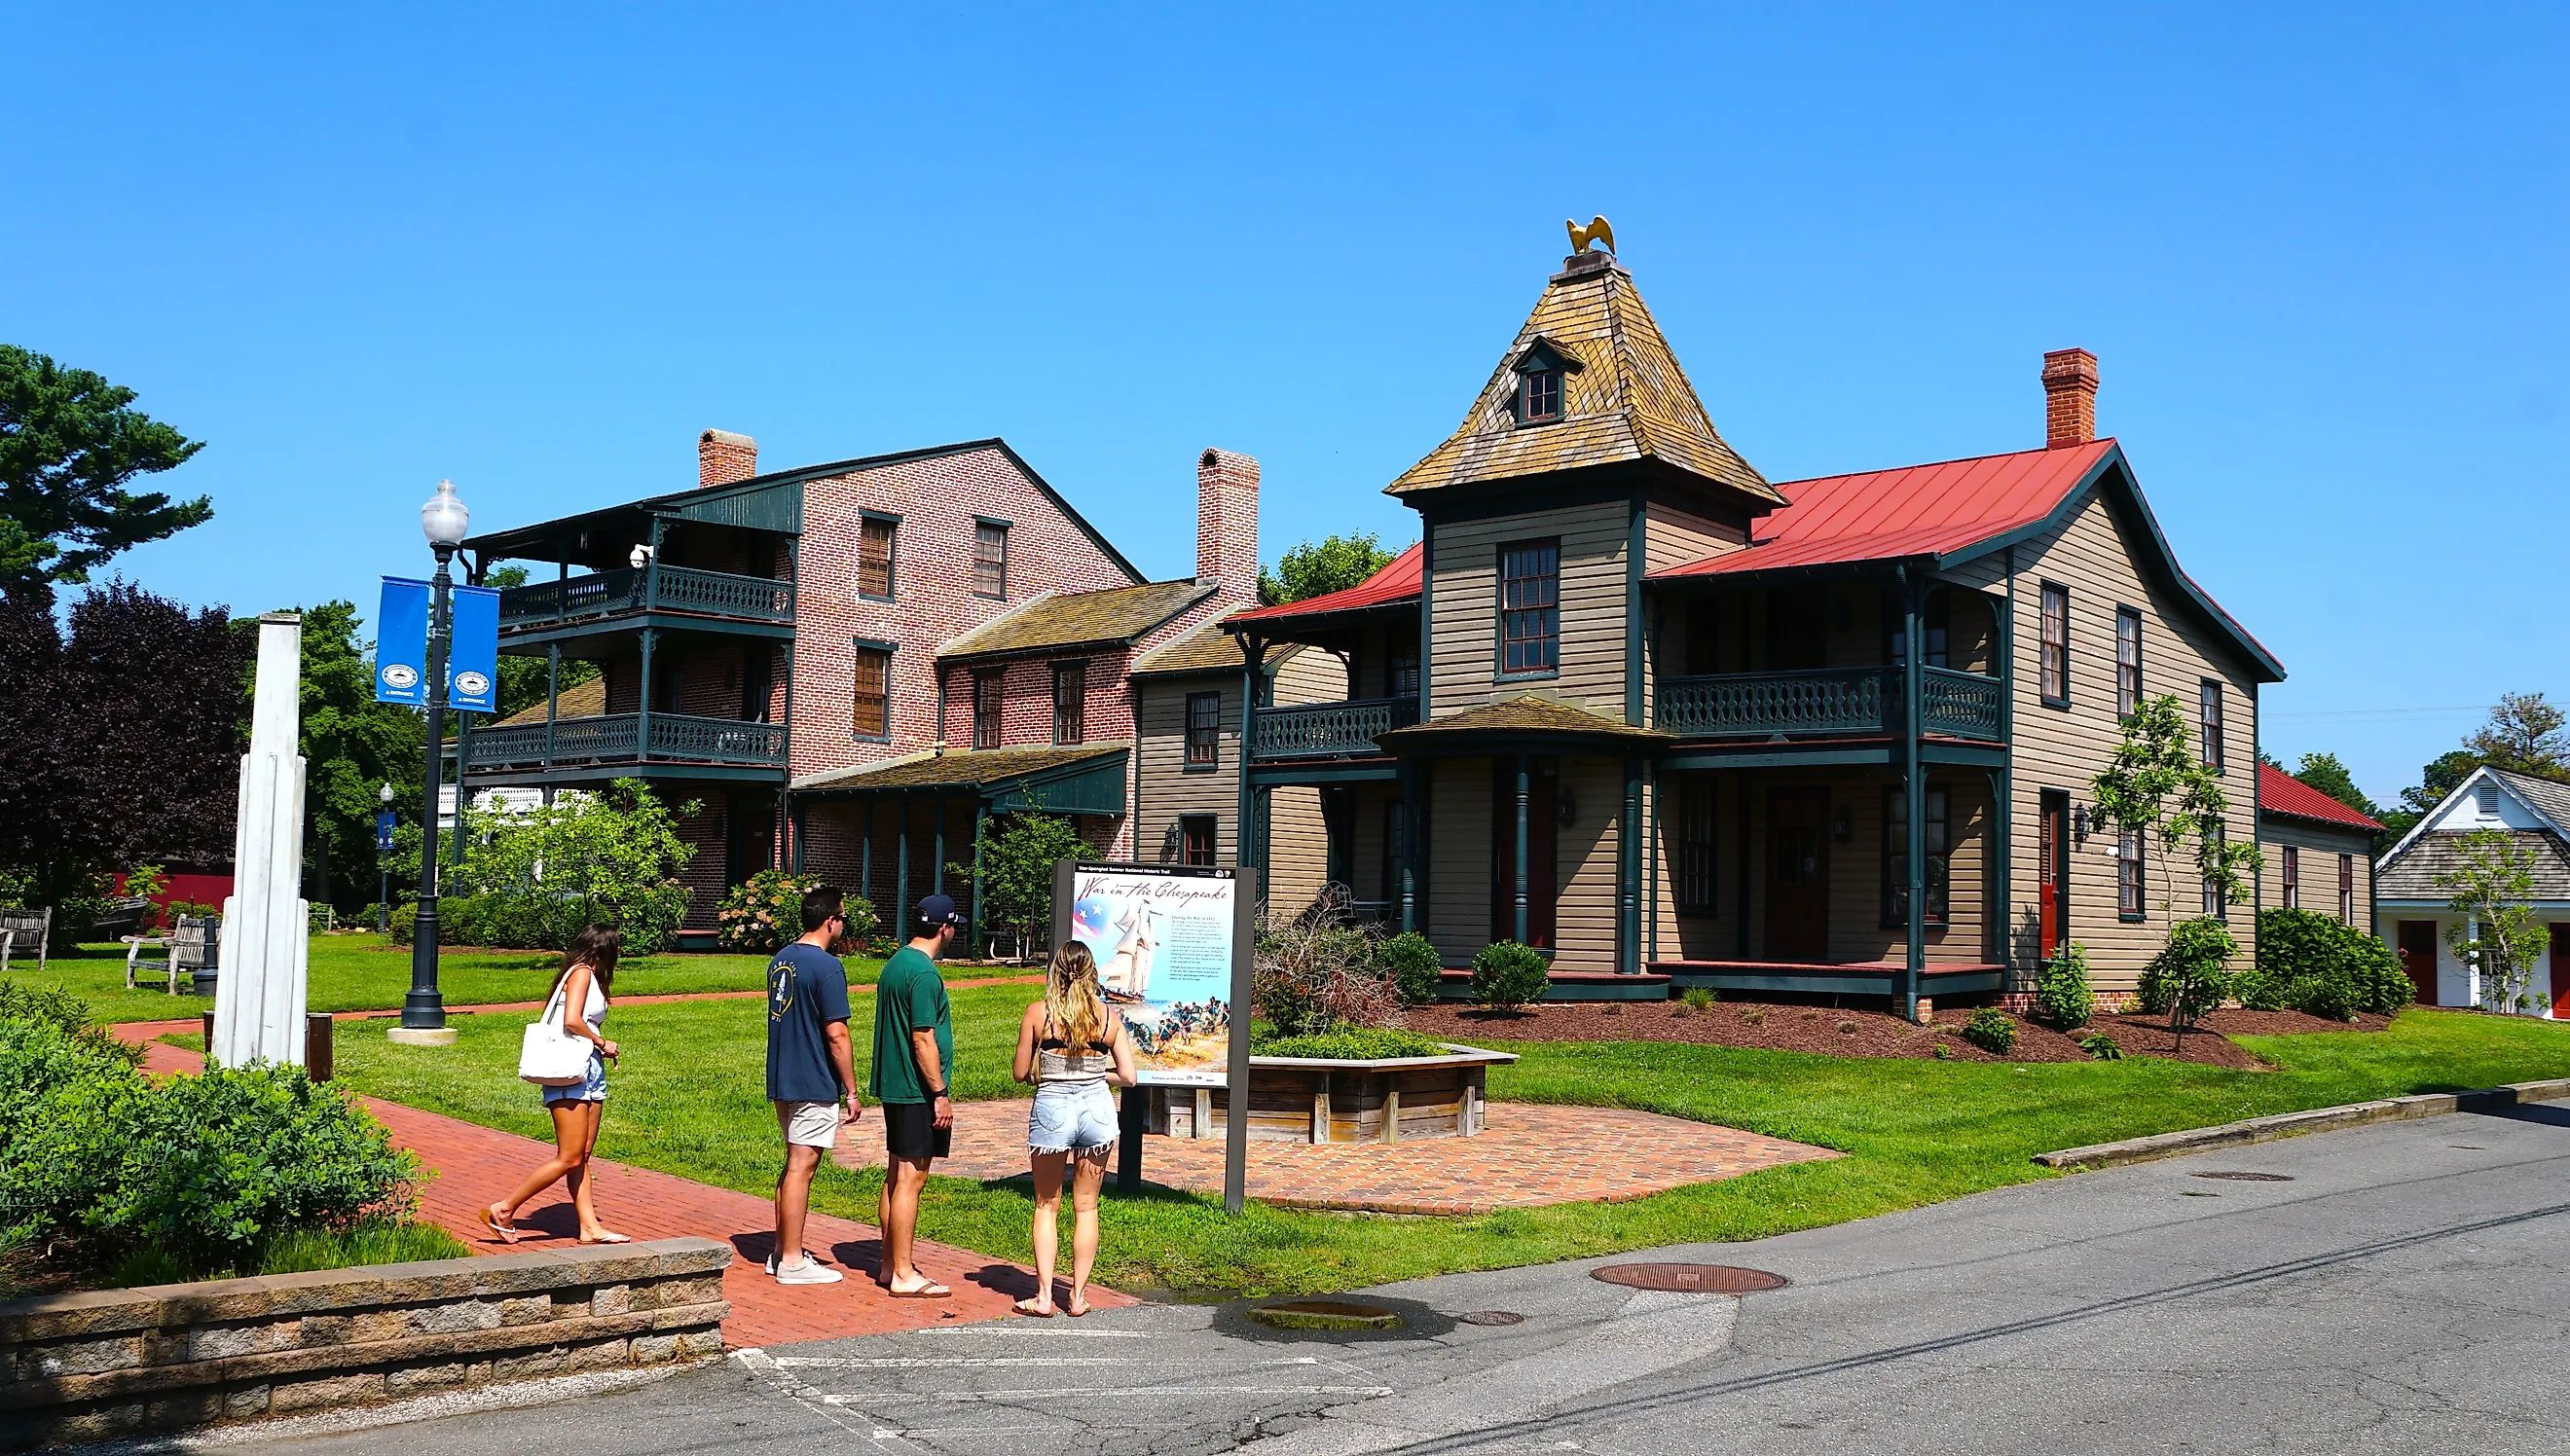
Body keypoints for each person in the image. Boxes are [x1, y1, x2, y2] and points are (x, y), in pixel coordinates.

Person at [1010, 941, 1136, 1317]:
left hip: (1052, 1107)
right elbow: (1128, 1077)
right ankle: (1078, 1297)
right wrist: (1097, 1073)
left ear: (1055, 972)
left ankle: (1044, 1296)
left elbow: (1019, 1073)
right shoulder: (1108, 1018)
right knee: (1087, 1207)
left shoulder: (1039, 1013)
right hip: (1097, 1108)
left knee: (1046, 1205)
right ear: (1092, 973)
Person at [483, 924, 627, 1245]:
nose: (620, 951)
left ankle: (589, 1228)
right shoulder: (581, 974)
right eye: (616, 945)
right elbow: (572, 1020)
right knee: (569, 1156)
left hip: (588, 1070)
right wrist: (602, 1042)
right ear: (601, 947)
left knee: (583, 1154)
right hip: (569, 1071)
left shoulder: (591, 976)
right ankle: (504, 1208)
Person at [766, 886, 863, 1286]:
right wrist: (852, 1090)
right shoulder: (827, 967)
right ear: (830, 921)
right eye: (843, 917)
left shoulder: (780, 959)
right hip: (813, 1079)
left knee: (792, 1164)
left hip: (783, 1076)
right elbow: (837, 1033)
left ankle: (779, 1250)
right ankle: (792, 1261)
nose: (843, 924)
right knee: (802, 1169)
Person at [871, 892, 962, 1298]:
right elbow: (923, 1037)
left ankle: (890, 1263)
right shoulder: (924, 974)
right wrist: (939, 1093)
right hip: (916, 1089)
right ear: (945, 928)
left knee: (895, 1175)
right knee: (912, 1179)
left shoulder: (895, 963)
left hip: (895, 1086)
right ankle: (905, 1274)